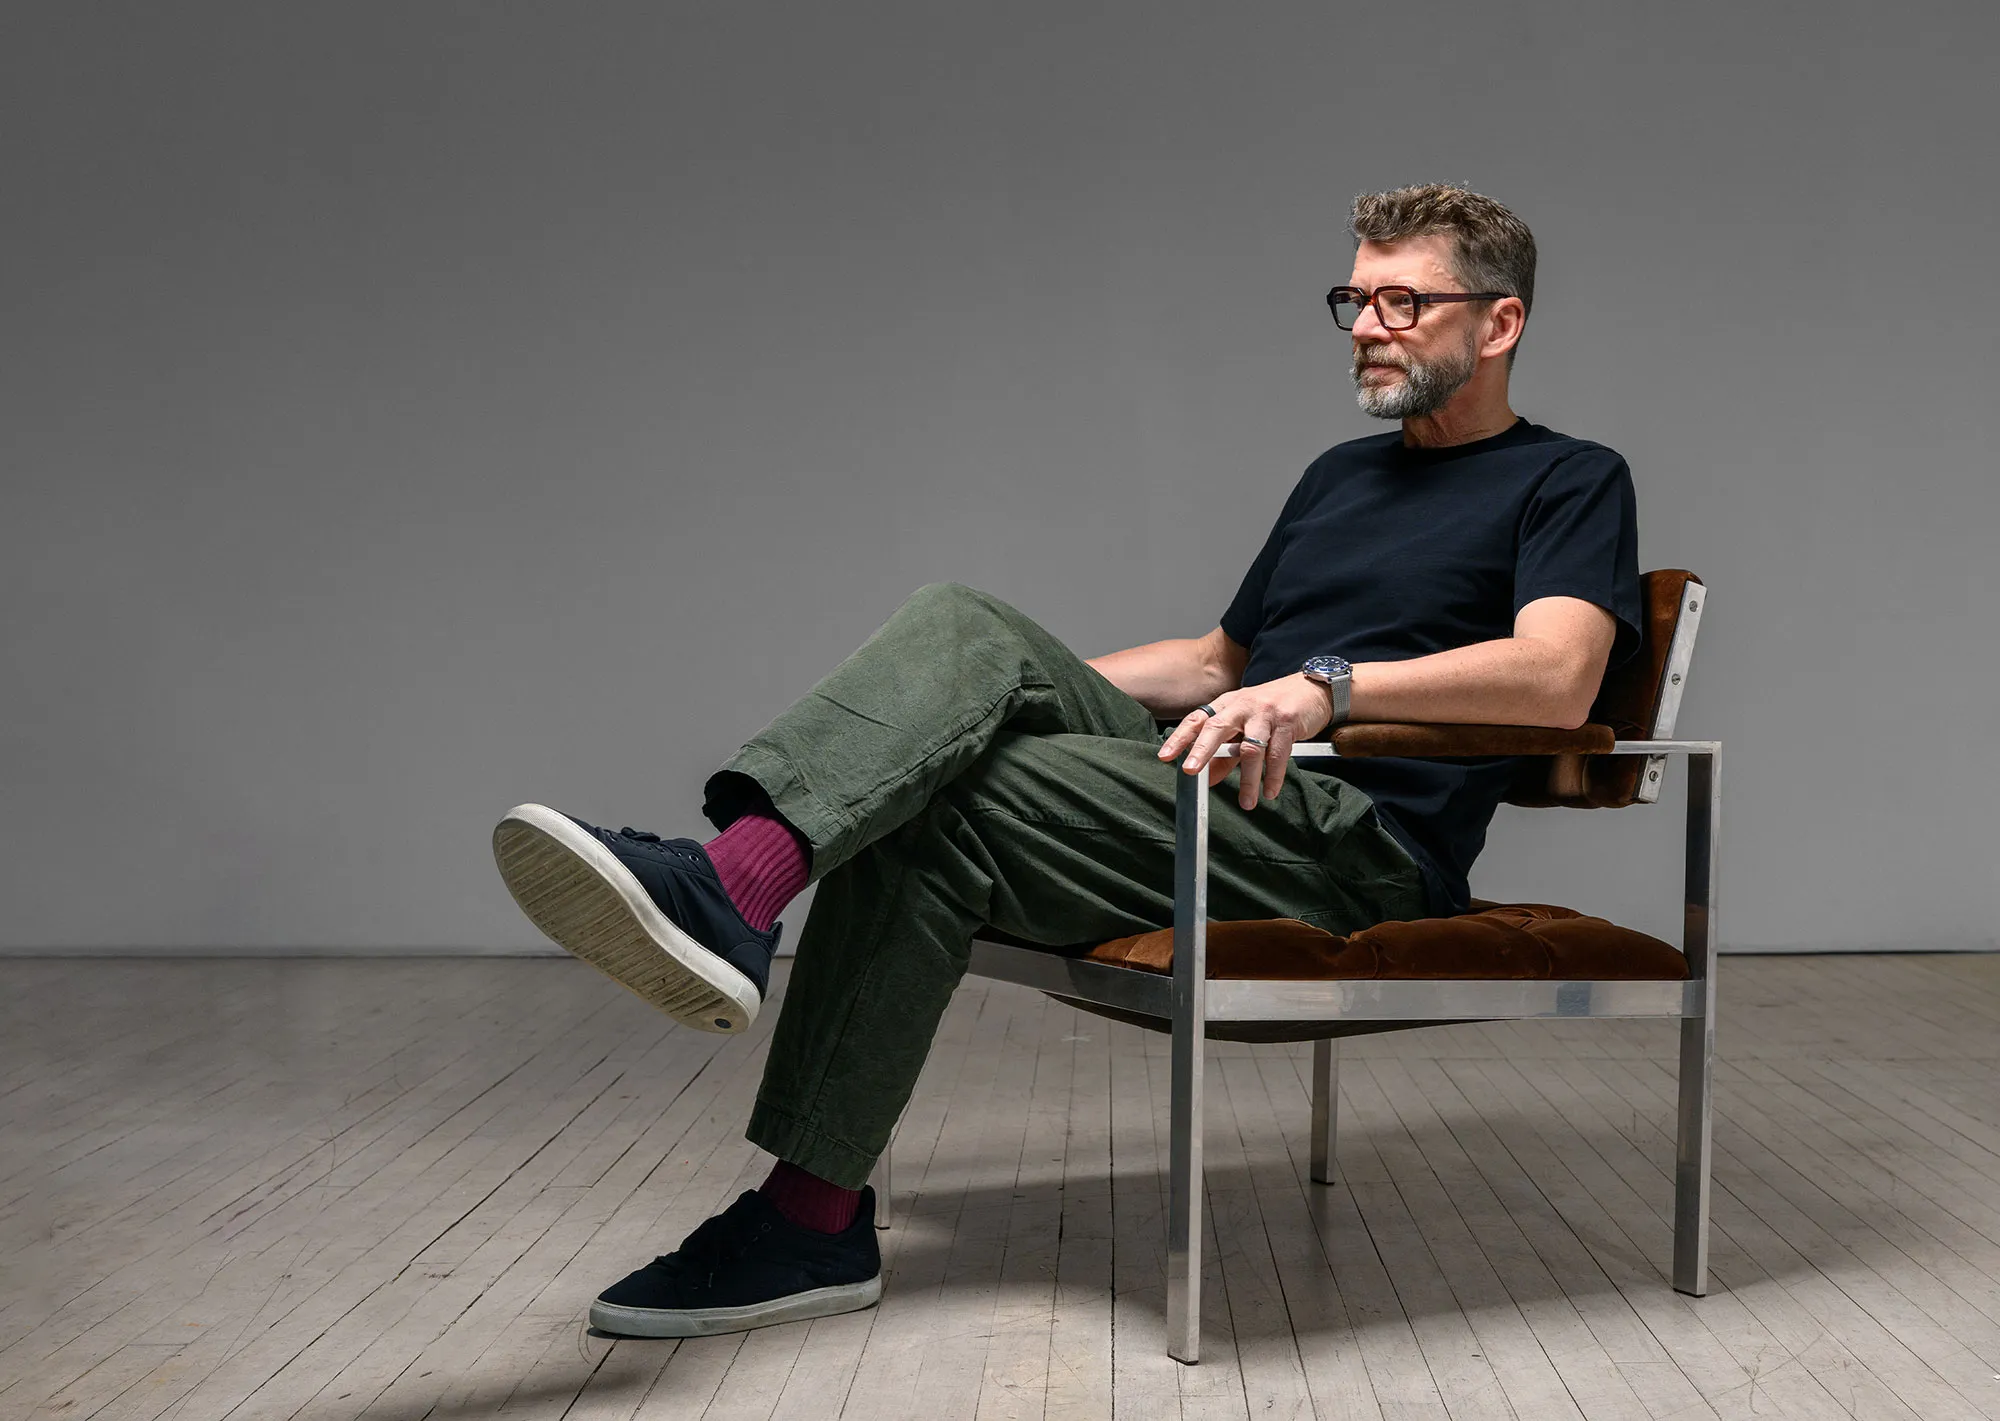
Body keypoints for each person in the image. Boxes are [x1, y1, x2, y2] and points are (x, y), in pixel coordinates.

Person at [492, 183, 1644, 1339]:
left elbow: (1555, 677)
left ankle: (796, 1168)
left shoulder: (1567, 477)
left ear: (1497, 324)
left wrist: (1325, 688)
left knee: (950, 801)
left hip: (1352, 845)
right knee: (963, 626)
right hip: (1220, 786)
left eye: (1403, 299)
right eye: (1354, 295)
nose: (1364, 323)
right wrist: (973, 693)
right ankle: (738, 917)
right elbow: (1212, 661)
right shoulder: (1337, 478)